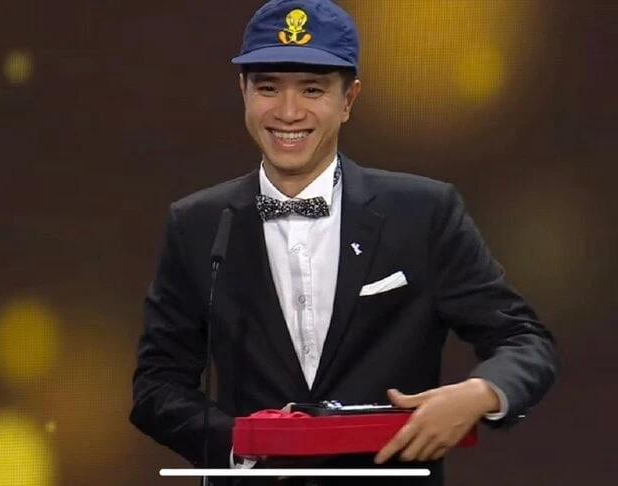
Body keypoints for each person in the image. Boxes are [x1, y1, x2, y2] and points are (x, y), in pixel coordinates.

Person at [129, 0, 558, 484]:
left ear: (348, 99)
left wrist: (481, 393)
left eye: (312, 89)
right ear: (243, 91)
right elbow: (157, 387)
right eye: (268, 88)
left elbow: (525, 341)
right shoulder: (197, 223)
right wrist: (244, 443)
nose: (288, 112)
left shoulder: (423, 213)